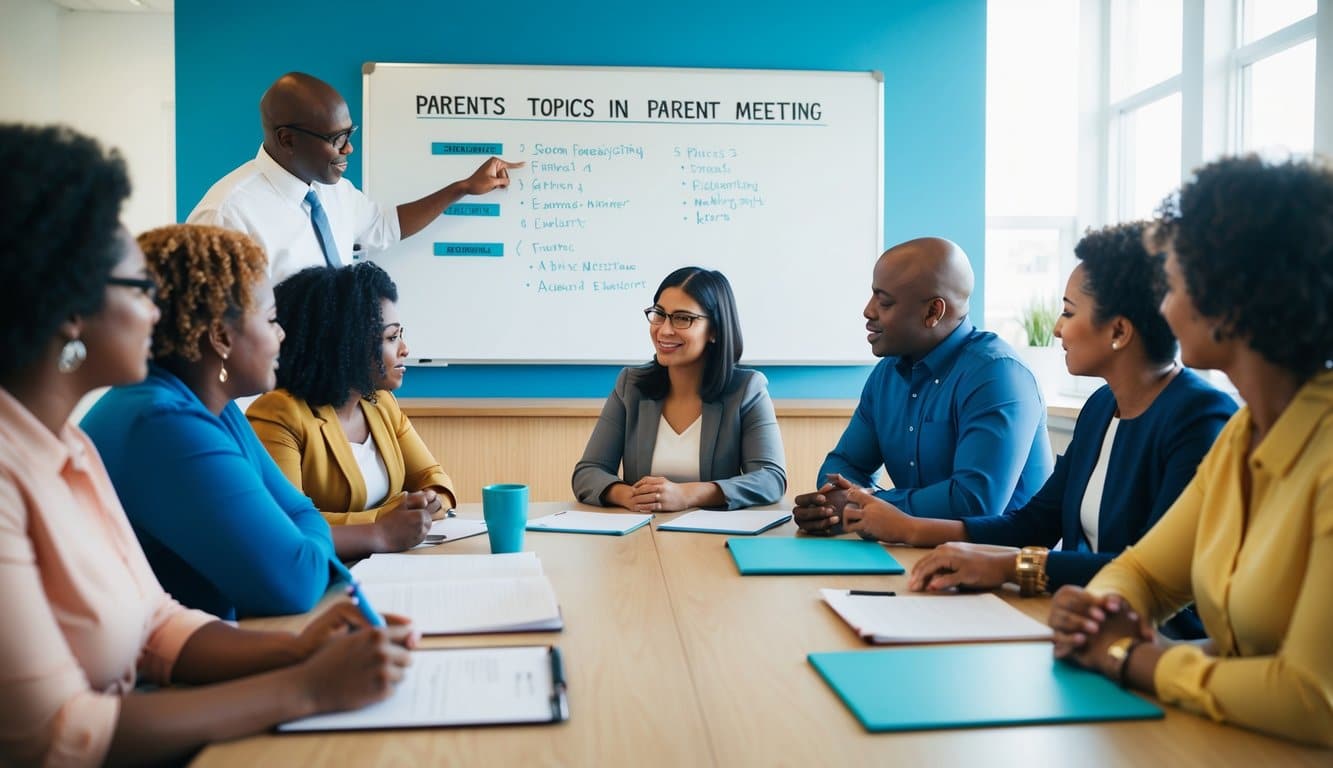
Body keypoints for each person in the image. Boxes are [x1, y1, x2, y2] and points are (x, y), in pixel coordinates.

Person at [0, 124, 413, 767]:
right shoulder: (141, 425)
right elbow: (60, 738)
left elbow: (155, 626)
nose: (158, 315)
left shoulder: (68, 447)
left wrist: (300, 650)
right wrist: (303, 686)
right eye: (140, 291)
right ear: (69, 309)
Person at [1050, 156, 1333, 747]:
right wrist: (1100, 611)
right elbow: (1144, 573)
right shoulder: (1245, 432)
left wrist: (1132, 657)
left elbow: (1312, 697)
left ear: (1230, 304)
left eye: (1174, 287)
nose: (1165, 309)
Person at [839, 224, 1234, 614]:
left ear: (1118, 330)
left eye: (1068, 312)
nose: (1058, 328)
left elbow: (1152, 571)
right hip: (1083, 615)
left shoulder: (1199, 418)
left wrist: (1007, 565)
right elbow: (1033, 524)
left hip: (1159, 639)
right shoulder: (1100, 407)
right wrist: (908, 528)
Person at [81, 225, 429, 619]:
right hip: (161, 671)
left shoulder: (216, 408)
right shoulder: (166, 423)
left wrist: (302, 535)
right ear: (221, 338)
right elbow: (295, 581)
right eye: (271, 320)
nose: (282, 336)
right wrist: (324, 536)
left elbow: (301, 517)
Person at [792, 237, 1052, 533]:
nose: (868, 311)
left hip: (999, 566)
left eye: (884, 301)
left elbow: (975, 503)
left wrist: (866, 504)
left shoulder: (998, 375)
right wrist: (834, 504)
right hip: (918, 553)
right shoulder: (887, 374)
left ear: (933, 312)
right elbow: (843, 464)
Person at [188, 71, 523, 282]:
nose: (349, 149)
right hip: (271, 394)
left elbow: (384, 226)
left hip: (333, 388)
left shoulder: (334, 193)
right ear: (287, 139)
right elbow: (208, 332)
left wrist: (462, 187)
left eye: (350, 134)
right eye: (337, 139)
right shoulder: (226, 215)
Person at [247, 263, 455, 559]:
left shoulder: (380, 404)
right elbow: (286, 524)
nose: (405, 349)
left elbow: (432, 476)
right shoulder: (280, 414)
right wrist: (382, 522)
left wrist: (432, 500)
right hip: (324, 577)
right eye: (391, 337)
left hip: (388, 566)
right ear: (347, 344)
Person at [573, 267, 786, 511]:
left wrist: (688, 495)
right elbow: (588, 472)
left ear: (714, 330)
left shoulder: (747, 390)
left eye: (683, 318)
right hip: (641, 535)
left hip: (713, 537)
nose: (664, 330)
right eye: (659, 314)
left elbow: (771, 478)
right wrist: (627, 495)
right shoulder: (631, 386)